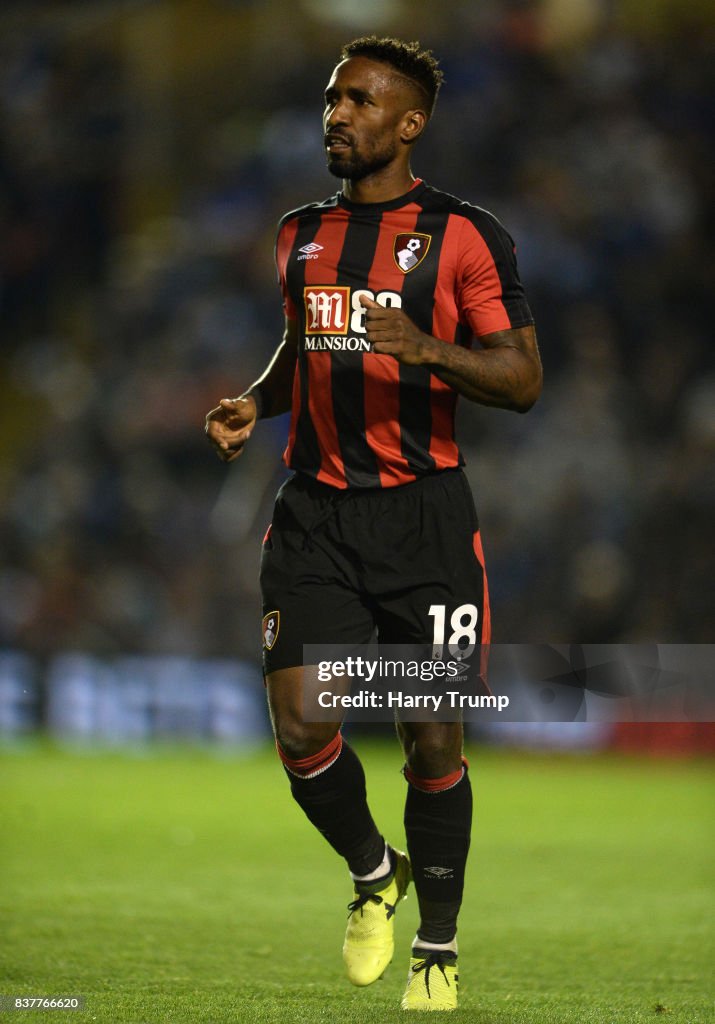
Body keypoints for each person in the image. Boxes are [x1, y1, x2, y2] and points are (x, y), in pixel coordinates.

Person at [205, 36, 542, 1012]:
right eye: (330, 98)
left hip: (424, 526)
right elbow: (302, 343)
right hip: (313, 516)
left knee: (431, 741)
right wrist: (255, 402)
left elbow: (520, 379)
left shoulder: (466, 235)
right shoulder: (297, 232)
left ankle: (435, 947)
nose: (336, 115)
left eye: (358, 101)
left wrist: (428, 346)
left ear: (409, 123)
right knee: (303, 723)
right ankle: (370, 871)